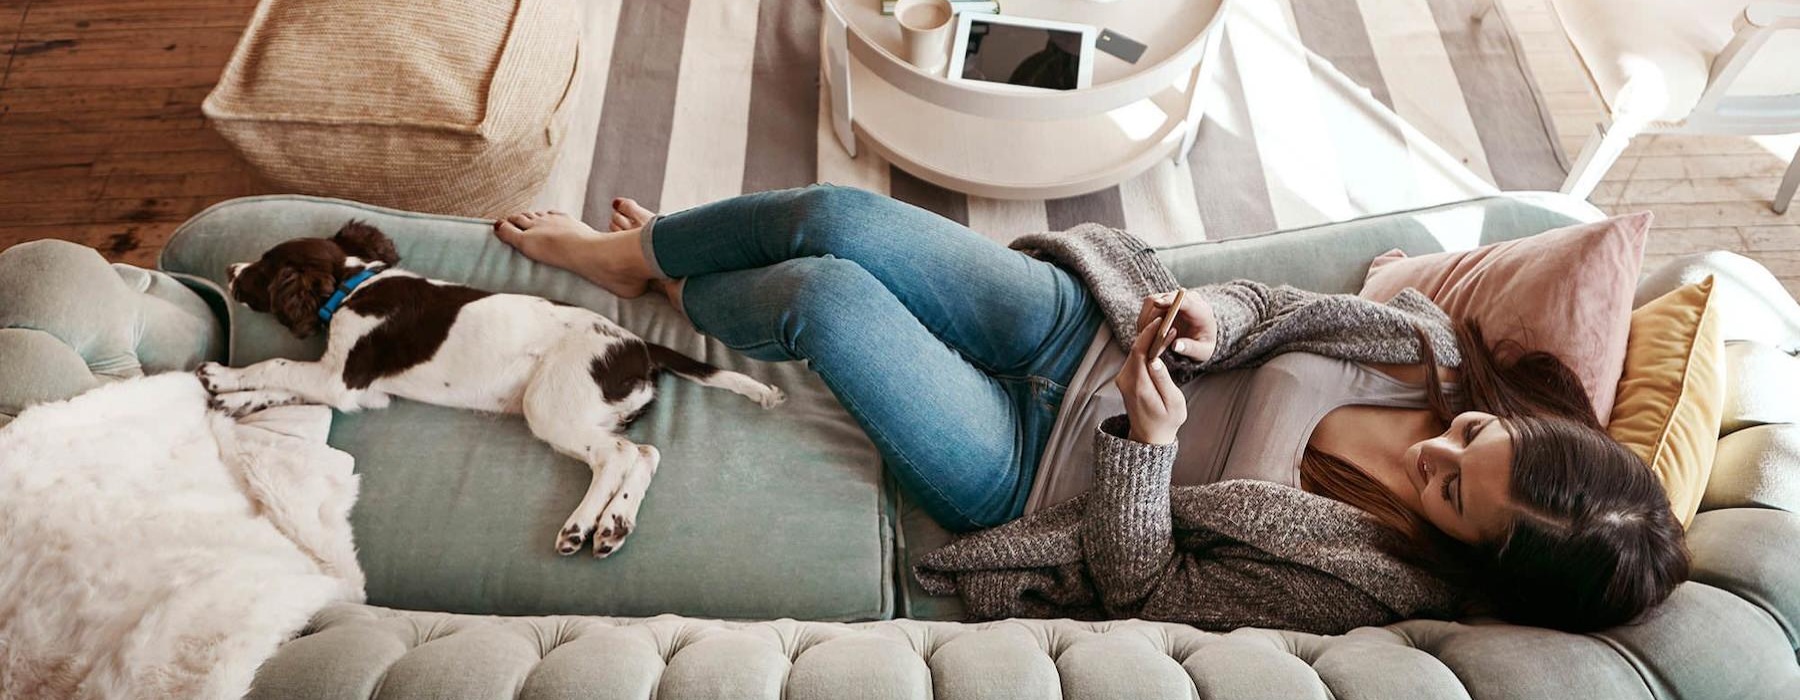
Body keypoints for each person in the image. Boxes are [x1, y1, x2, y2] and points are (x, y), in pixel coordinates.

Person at [493, 185, 1688, 635]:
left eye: (1448, 490)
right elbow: (1275, 306)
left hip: (1030, 470)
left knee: (822, 297)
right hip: (1082, 329)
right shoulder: (1429, 348)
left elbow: (1148, 588)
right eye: (1479, 438)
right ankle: (638, 255)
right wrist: (1216, 317)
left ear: (1468, 555)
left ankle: (684, 286)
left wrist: (1149, 448)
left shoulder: (1366, 581)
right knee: (838, 218)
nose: (1441, 446)